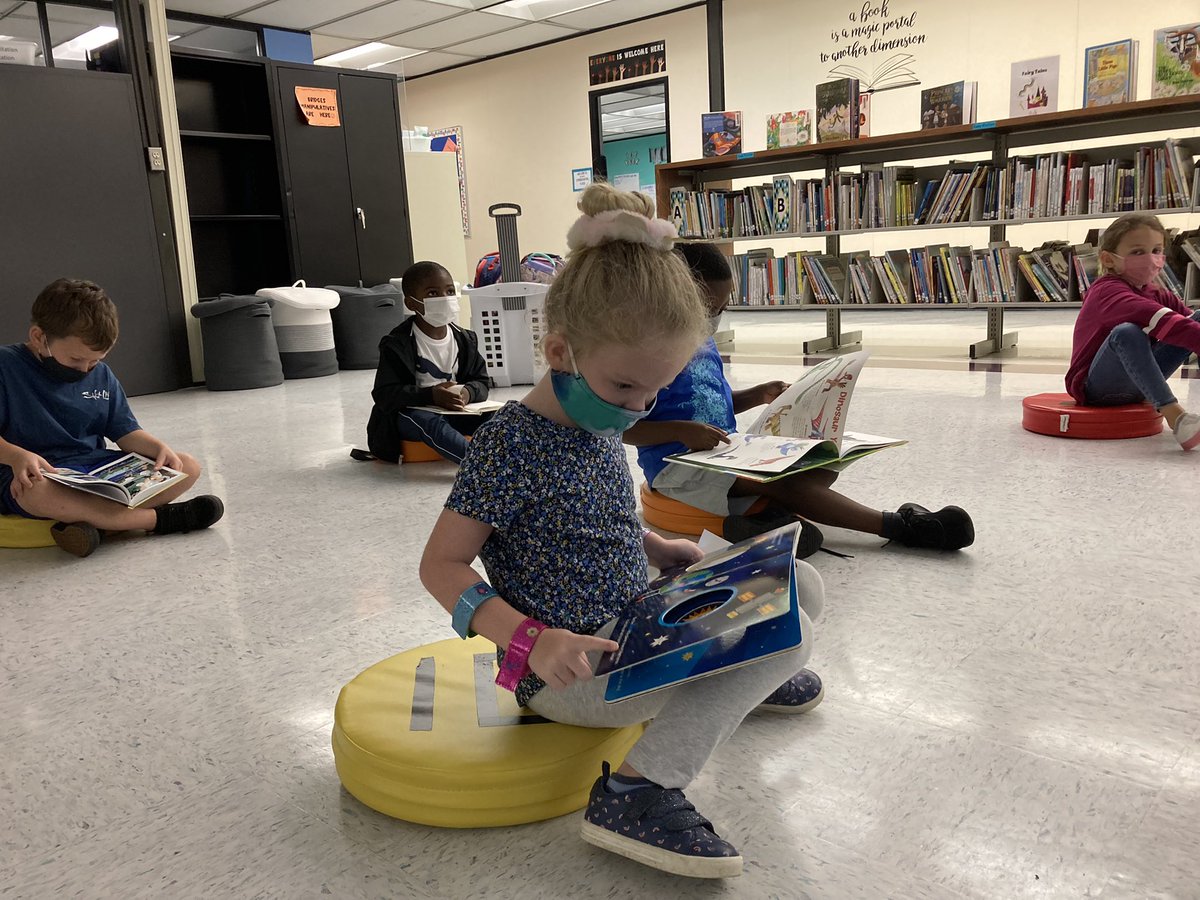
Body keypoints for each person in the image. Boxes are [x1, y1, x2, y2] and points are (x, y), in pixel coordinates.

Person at [420, 183, 824, 879]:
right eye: (624, 389)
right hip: (570, 673)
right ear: (559, 351)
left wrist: (653, 545)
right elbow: (440, 568)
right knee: (789, 636)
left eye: (653, 393)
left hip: (633, 624)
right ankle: (636, 790)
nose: (636, 407)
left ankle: (734, 685)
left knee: (801, 584)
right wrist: (531, 641)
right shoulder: (511, 445)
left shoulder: (597, 418)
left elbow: (593, 515)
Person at [623, 242, 974, 552]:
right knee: (784, 481)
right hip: (680, 469)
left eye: (721, 309)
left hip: (724, 453)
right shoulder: (647, 353)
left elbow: (712, 402)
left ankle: (760, 521)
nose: (714, 318)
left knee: (820, 461)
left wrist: (759, 395)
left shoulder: (703, 341)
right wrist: (680, 431)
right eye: (706, 309)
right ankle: (899, 526)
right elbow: (622, 430)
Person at [0, 278, 223, 558]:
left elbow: (125, 432)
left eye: (94, 361)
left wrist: (157, 448)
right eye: (75, 360)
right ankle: (159, 520)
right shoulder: (5, 366)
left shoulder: (101, 375)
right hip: (28, 474)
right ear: (38, 337)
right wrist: (16, 456)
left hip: (92, 470)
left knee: (187, 466)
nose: (85, 370)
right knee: (37, 493)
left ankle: (98, 526)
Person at [1065, 212, 1200, 450]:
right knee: (1126, 333)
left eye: (1157, 250)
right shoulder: (1107, 292)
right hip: (1097, 390)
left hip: (1139, 385)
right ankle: (1176, 416)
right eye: (1138, 252)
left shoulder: (1156, 292)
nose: (1151, 258)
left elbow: (1188, 323)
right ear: (1108, 259)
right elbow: (1162, 320)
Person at [364, 261, 491, 464]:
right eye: (433, 293)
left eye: (450, 291)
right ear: (411, 303)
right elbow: (385, 395)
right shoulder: (397, 344)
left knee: (503, 415)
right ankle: (480, 467)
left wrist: (467, 393)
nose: (445, 298)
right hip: (411, 415)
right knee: (429, 422)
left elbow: (482, 382)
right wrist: (431, 395)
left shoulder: (465, 339)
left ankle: (520, 461)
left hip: (456, 412)